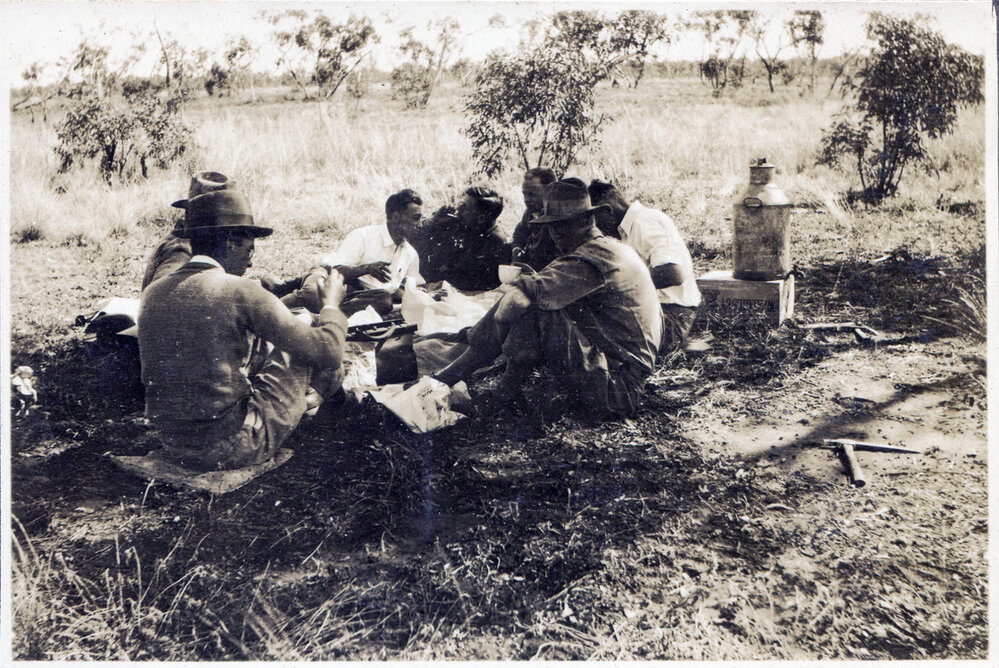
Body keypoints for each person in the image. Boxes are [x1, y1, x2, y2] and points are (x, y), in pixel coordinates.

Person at [138, 189, 349, 471]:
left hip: (173, 444)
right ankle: (330, 411)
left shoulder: (153, 292)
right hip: (231, 446)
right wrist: (332, 306)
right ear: (230, 242)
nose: (250, 261)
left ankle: (316, 404)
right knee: (310, 329)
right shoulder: (239, 290)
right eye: (249, 249)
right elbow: (329, 351)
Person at [433, 178, 662, 418]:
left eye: (565, 225)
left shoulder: (589, 257)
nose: (557, 234)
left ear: (587, 220)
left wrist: (492, 337)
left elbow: (513, 305)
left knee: (532, 304)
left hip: (616, 389)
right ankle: (500, 388)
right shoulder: (612, 248)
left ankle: (460, 382)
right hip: (626, 377)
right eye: (553, 226)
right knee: (538, 297)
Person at [588, 179, 701, 351]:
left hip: (671, 316)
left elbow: (672, 273)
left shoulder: (644, 221)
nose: (598, 229)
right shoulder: (630, 229)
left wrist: (619, 288)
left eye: (595, 221)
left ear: (606, 210)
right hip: (660, 312)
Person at [280, 189, 425, 316]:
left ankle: (322, 315)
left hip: (356, 294)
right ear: (395, 217)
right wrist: (366, 269)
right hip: (329, 276)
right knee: (313, 294)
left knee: (383, 300)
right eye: (415, 218)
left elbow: (407, 291)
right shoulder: (364, 235)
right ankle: (270, 307)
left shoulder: (410, 254)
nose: (419, 225)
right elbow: (337, 271)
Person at [414, 186, 512, 291]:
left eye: (465, 207)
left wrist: (443, 283)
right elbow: (416, 236)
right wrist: (434, 221)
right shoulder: (465, 223)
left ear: (481, 218)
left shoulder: (494, 240)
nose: (458, 209)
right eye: (461, 204)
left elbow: (473, 281)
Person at [510, 167, 560, 270]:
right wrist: (517, 249)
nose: (527, 200)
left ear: (550, 191)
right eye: (524, 194)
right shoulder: (530, 211)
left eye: (532, 194)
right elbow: (520, 232)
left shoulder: (557, 217)